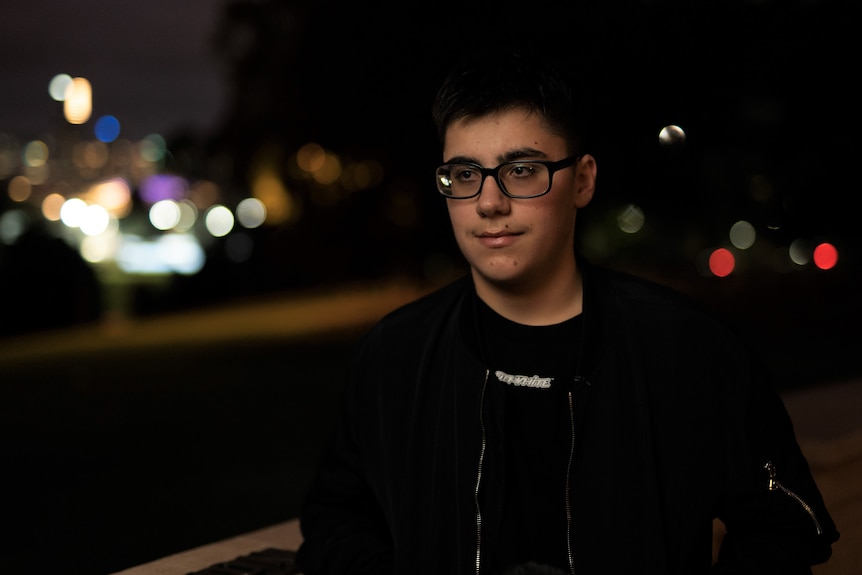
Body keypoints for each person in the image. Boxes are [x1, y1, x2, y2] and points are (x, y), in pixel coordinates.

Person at [295, 46, 839, 574]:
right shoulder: (394, 356)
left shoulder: (689, 349)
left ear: (582, 180)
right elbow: (337, 517)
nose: (488, 202)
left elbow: (784, 530)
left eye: (522, 170)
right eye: (464, 174)